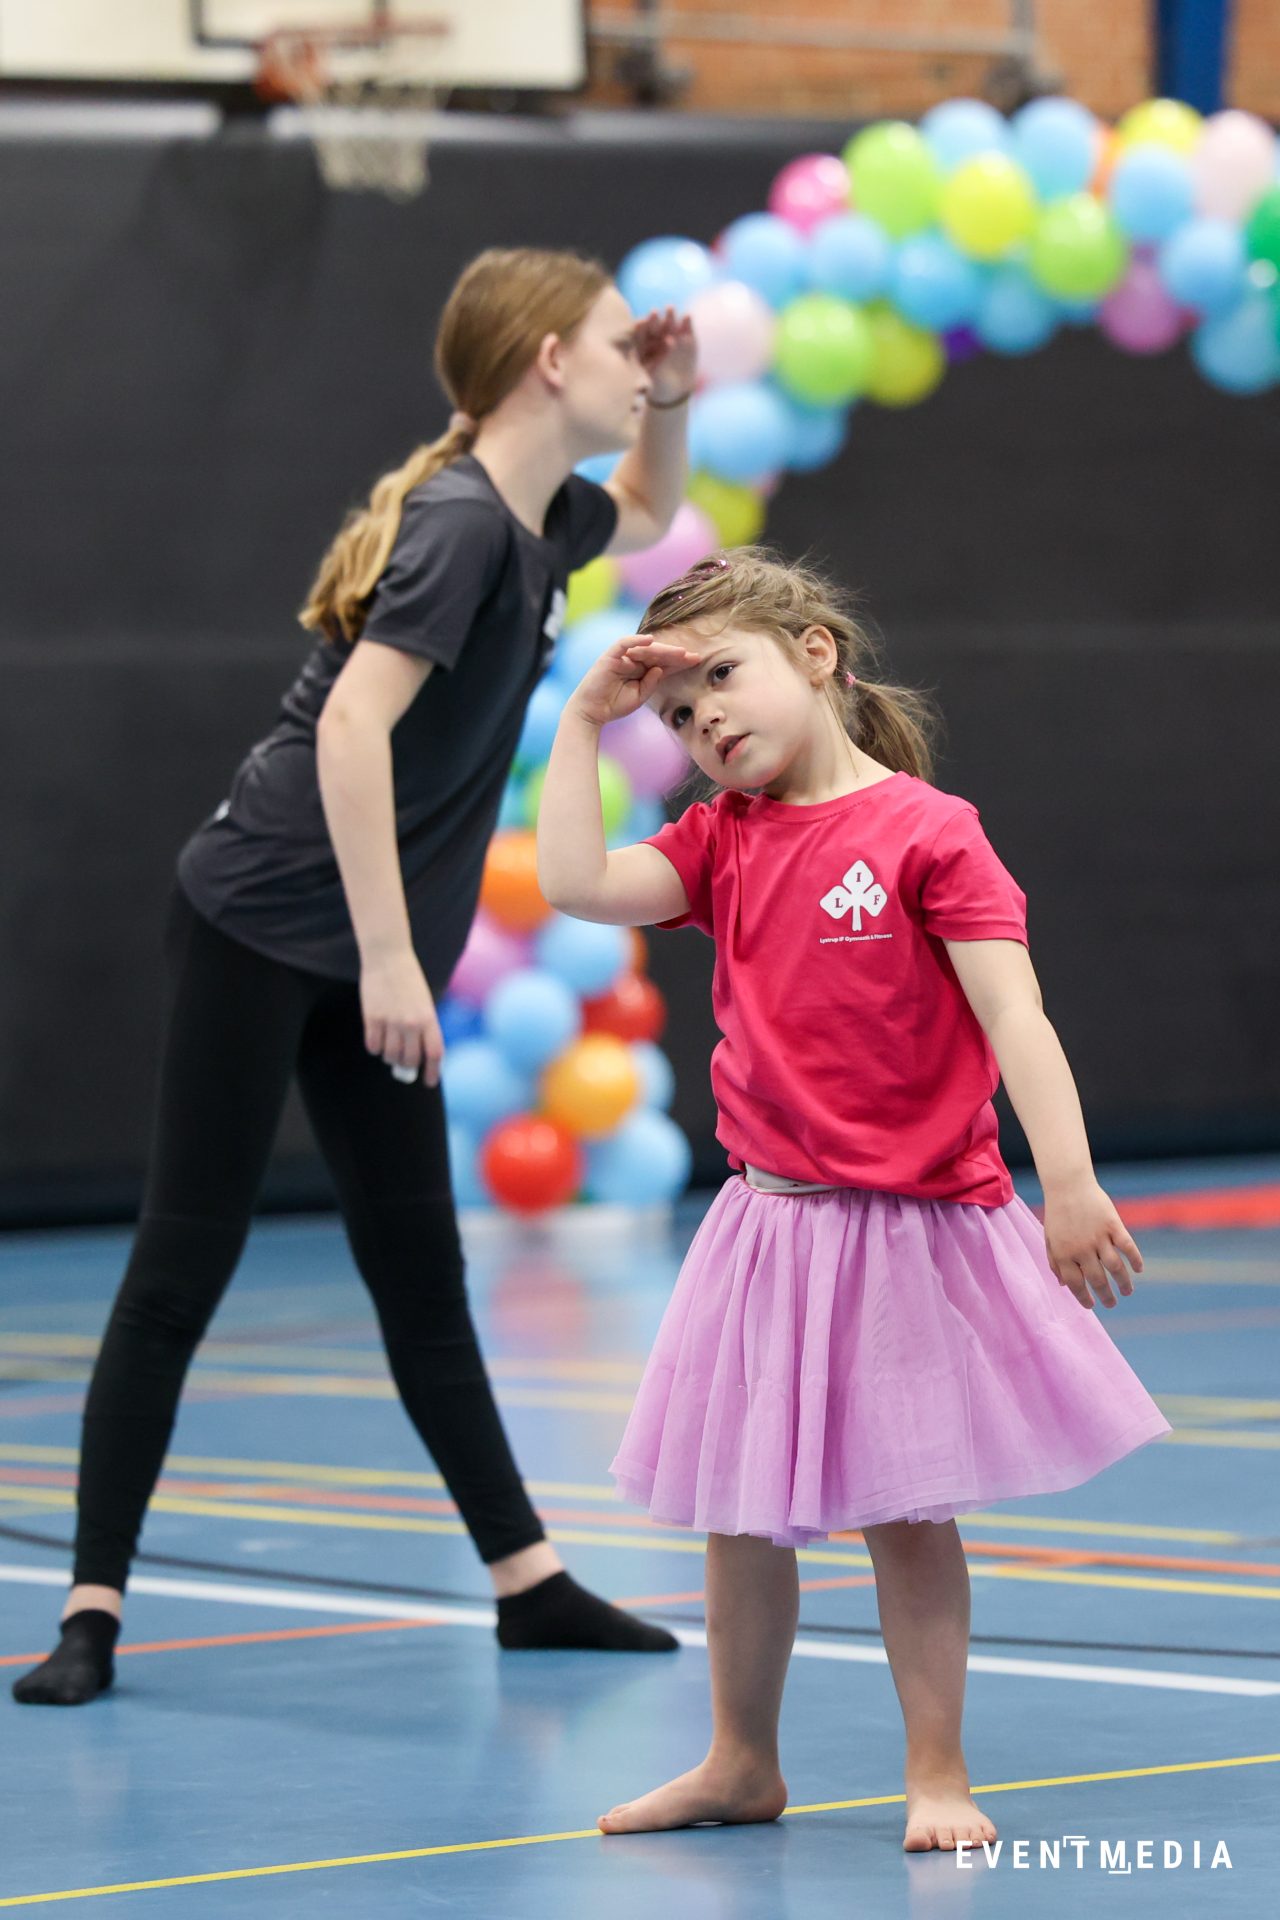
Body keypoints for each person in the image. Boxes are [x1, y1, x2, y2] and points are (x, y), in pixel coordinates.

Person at [14, 246, 701, 1708]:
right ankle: (90, 1611)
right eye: (614, 344)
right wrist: (392, 958)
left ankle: (528, 1583)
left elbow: (648, 508)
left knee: (420, 1273)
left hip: (371, 950)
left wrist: (677, 396)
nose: (633, 367)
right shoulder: (460, 526)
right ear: (546, 364)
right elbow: (349, 733)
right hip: (261, 923)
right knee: (181, 1264)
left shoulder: (541, 517)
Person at [535, 545, 1172, 1851]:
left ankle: (937, 1772)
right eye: (678, 714)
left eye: (723, 678)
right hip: (768, 1226)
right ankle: (739, 1763)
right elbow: (576, 885)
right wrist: (584, 723)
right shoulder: (721, 840)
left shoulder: (931, 833)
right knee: (739, 1514)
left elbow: (1016, 1015)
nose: (705, 720)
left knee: (907, 1512)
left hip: (908, 1232)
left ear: (816, 654)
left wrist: (1069, 1182)